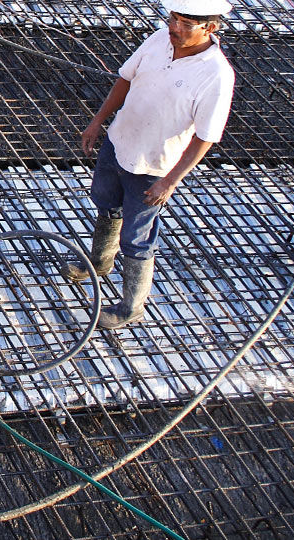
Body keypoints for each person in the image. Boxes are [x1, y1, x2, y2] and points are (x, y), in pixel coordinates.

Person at [62, 0, 235, 329]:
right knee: (107, 204)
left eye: (185, 23)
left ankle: (131, 307)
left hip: (153, 167)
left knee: (137, 238)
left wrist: (170, 181)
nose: (174, 28)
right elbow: (125, 79)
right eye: (173, 18)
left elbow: (206, 136)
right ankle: (99, 262)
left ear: (210, 27)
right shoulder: (159, 40)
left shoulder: (216, 74)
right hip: (119, 143)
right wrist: (99, 121)